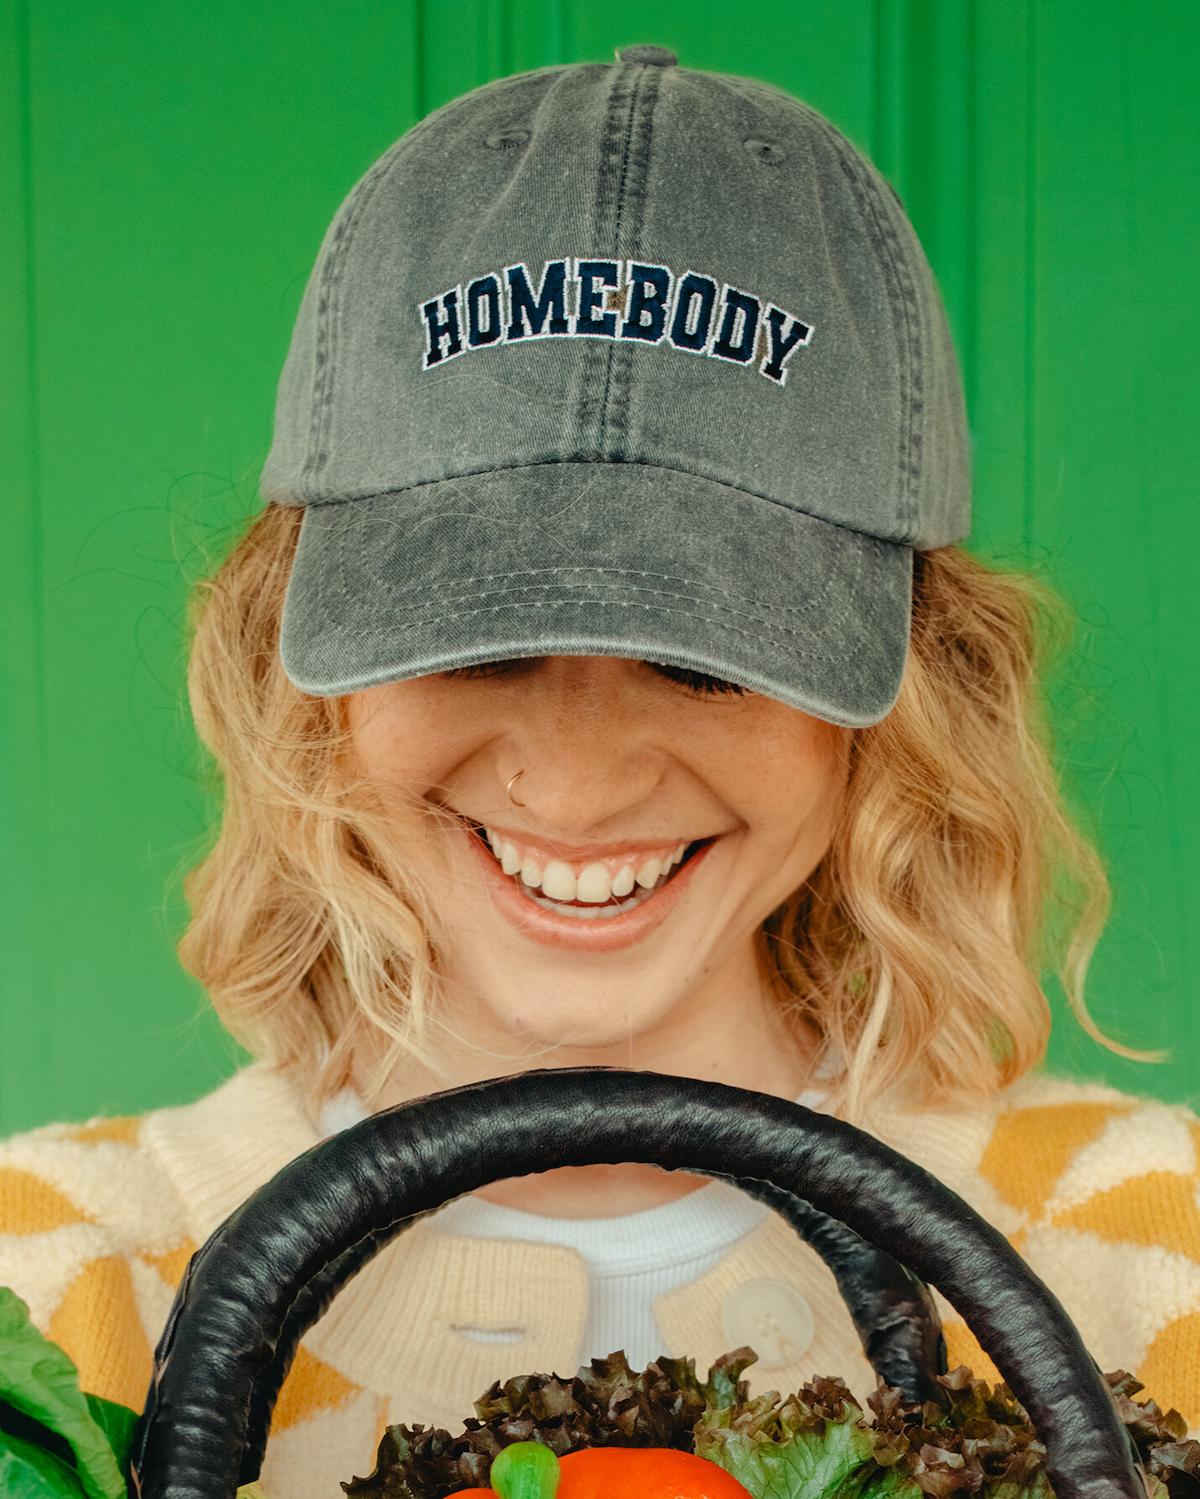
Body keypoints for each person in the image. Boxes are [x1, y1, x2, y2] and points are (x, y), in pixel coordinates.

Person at [2, 43, 1197, 1499]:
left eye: (705, 661)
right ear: (294, 659)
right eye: (475, 645)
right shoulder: (59, 1282)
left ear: (907, 688)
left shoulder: (1146, 1251)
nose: (573, 790)